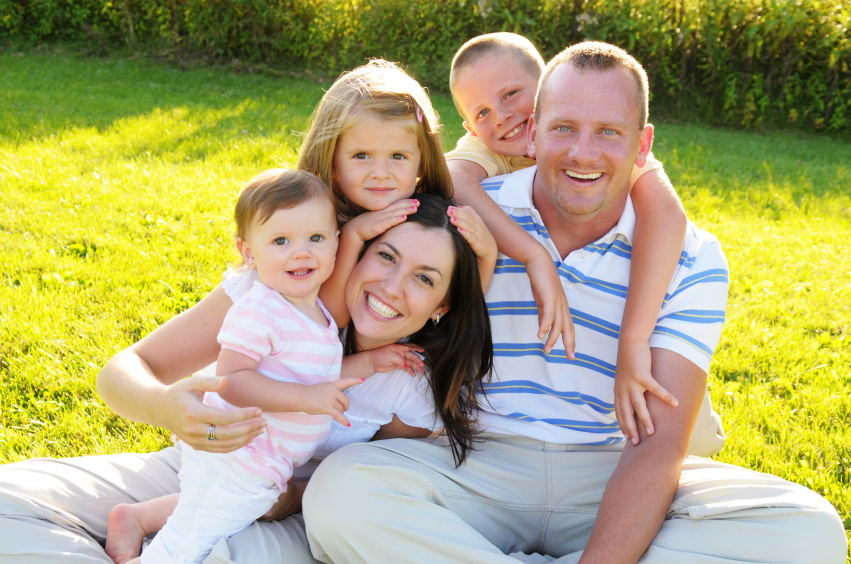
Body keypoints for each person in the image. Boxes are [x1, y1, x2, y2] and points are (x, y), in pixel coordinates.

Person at [303, 42, 848, 564]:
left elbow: (658, 449)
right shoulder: (471, 219)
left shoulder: (689, 256)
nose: (582, 153)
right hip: (471, 460)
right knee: (339, 495)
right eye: (563, 128)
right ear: (532, 134)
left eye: (608, 132)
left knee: (809, 534)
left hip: (612, 470)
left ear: (642, 145)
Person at [0, 189, 493, 564]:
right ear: (352, 252)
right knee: (7, 503)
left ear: (441, 307)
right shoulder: (277, 297)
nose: (392, 287)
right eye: (385, 256)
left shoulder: (407, 382)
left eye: (424, 278)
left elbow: (372, 480)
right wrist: (164, 405)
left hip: (300, 514)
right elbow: (122, 373)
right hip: (212, 462)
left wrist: (295, 497)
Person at [444, 33, 704, 447]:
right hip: (507, 413)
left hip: (620, 388)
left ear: (547, 83)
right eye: (483, 112)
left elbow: (668, 216)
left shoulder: (597, 138)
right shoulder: (483, 150)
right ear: (470, 127)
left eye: (512, 94)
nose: (503, 117)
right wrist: (534, 256)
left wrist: (634, 340)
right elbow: (454, 180)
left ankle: (687, 439)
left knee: (672, 401)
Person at [298, 59, 498, 328]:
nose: (381, 172)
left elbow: (455, 305)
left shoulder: (427, 221)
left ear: (422, 160)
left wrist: (487, 257)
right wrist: (354, 235)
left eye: (397, 156)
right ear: (332, 158)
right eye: (361, 155)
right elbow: (330, 319)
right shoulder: (310, 220)